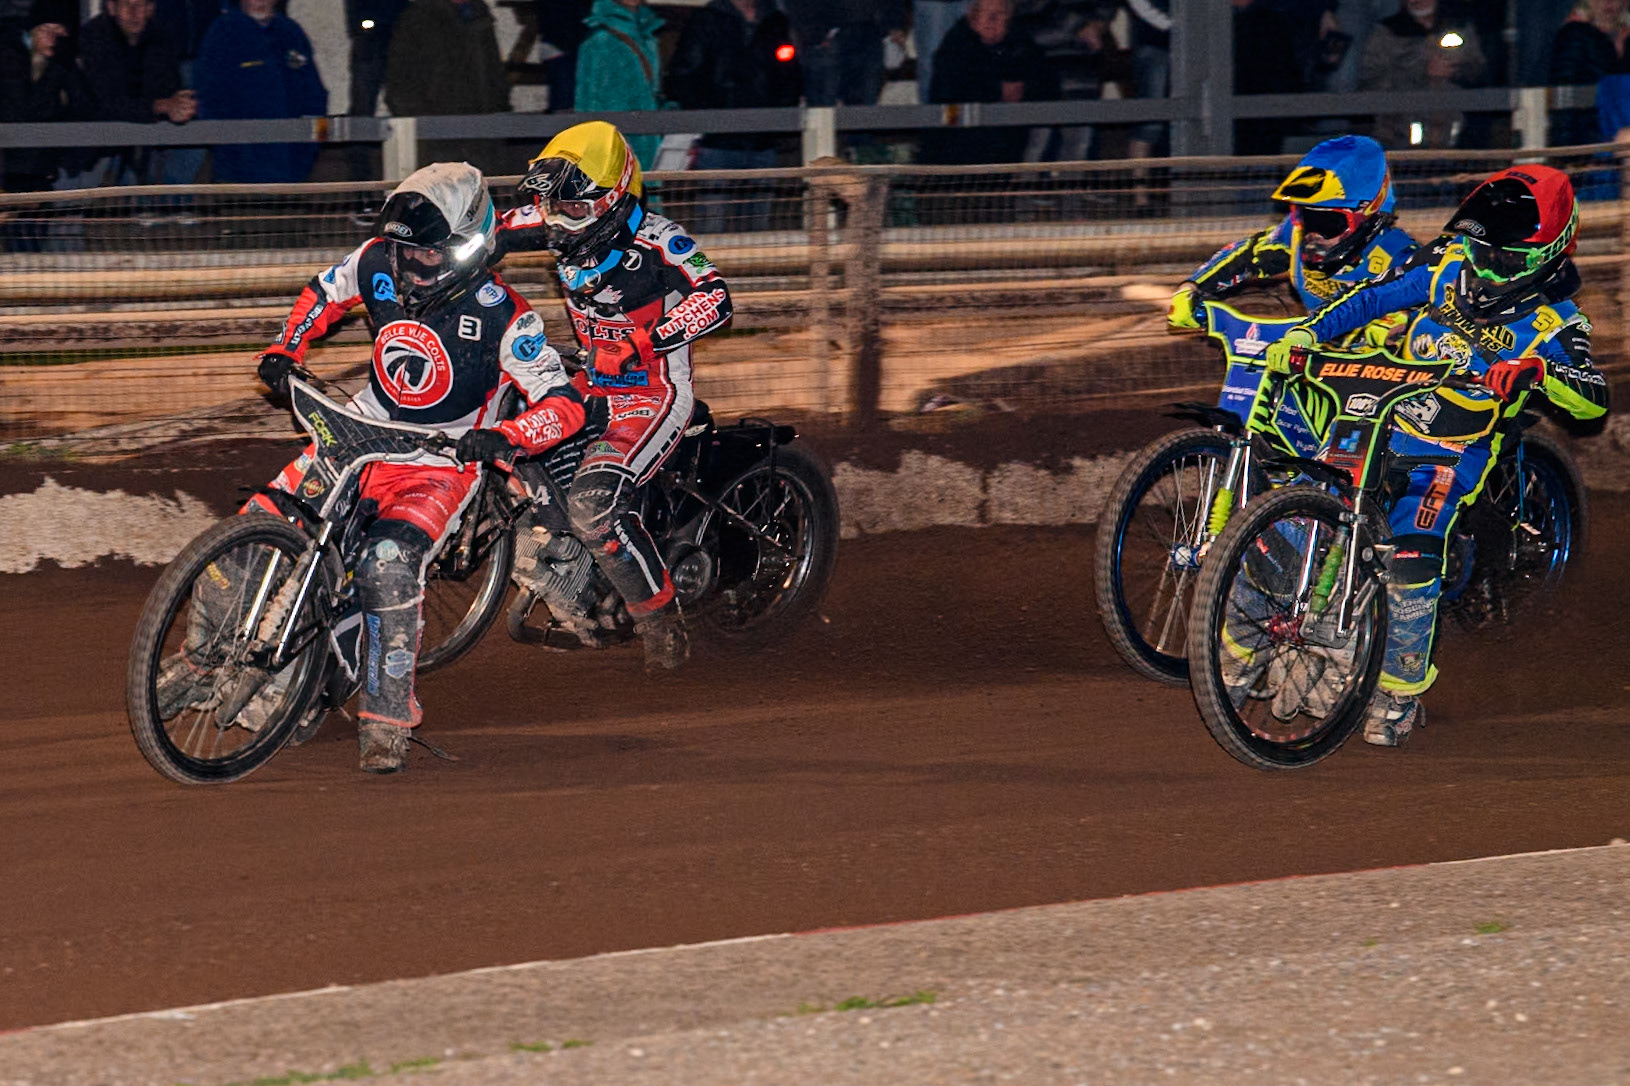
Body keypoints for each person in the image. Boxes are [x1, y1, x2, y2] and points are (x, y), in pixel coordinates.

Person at [240, 162, 583, 772]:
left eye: (430, 252)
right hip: (357, 432)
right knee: (253, 527)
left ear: (468, 245)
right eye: (407, 250)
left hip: (439, 461)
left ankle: (386, 720)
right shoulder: (377, 259)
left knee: (387, 566)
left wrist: (505, 435)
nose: (414, 264)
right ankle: (196, 659)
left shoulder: (507, 314)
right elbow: (323, 292)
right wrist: (283, 347)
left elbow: (563, 404)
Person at [1265, 165, 1608, 745]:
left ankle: (1398, 694)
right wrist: (1306, 334)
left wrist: (1538, 371)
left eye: (1494, 255)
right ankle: (1284, 636)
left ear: (1541, 258)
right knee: (1307, 507)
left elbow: (1594, 397)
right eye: (1474, 245)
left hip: (1455, 448)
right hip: (1383, 413)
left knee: (1411, 553)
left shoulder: (1557, 322)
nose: (1478, 262)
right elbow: (1370, 299)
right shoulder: (1449, 267)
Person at [497, 121, 735, 671]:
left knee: (593, 508)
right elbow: (485, 236)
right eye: (551, 205)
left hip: (652, 393)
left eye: (574, 209)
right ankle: (564, 566)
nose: (558, 220)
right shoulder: (552, 214)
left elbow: (717, 300)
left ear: (612, 198)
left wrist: (641, 343)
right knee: (503, 424)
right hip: (588, 381)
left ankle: (663, 626)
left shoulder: (660, 241)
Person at [1169, 135, 1418, 328]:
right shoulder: (1294, 234)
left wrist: (1402, 323)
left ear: (1367, 213)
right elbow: (1248, 255)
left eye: (1328, 223)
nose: (1313, 235)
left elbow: (1439, 317)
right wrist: (1192, 287)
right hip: (1311, 356)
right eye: (1306, 219)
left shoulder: (1402, 257)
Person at [666, 0, 800, 232]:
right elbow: (684, 73)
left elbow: (789, 73)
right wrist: (708, 117)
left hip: (762, 141)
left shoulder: (775, 21)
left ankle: (756, 268)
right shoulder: (707, 20)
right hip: (718, 142)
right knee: (712, 225)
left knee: (759, 230)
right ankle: (708, 269)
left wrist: (778, 118)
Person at [193, 0, 326, 184]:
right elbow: (208, 95)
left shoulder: (291, 32)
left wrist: (314, 146)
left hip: (293, 171)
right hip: (240, 171)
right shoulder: (223, 32)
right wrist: (226, 149)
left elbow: (315, 95)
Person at [73, 0, 196, 187]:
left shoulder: (161, 36)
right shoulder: (94, 36)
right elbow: (105, 103)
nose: (133, 12)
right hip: (93, 147)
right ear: (111, 7)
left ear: (151, 9)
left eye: (140, 5)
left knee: (192, 148)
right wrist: (160, 105)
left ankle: (170, 209)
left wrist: (179, 106)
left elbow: (168, 87)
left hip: (148, 141)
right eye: (126, 5)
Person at [385, 0, 511, 173]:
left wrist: (498, 108)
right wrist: (419, 118)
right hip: (437, 124)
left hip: (479, 123)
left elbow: (493, 69)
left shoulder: (478, 16)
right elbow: (402, 75)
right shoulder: (419, 18)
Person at [921, 0, 1041, 165]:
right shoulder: (954, 46)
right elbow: (948, 93)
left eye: (999, 14)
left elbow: (1043, 82)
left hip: (1009, 146)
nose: (992, 20)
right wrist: (996, 91)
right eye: (987, 14)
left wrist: (1023, 91)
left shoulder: (1021, 43)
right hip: (958, 148)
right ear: (973, 17)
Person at [1360, 0, 1487, 149]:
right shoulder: (1388, 32)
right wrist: (1421, 71)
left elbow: (1478, 70)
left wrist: (1456, 70)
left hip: (1455, 132)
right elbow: (1371, 79)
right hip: (1402, 134)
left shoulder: (1459, 26)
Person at [0, 5, 95, 194]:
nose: (53, 39)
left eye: (59, 33)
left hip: (39, 172)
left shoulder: (61, 67)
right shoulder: (6, 57)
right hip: (6, 167)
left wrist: (62, 161)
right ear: (33, 30)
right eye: (47, 30)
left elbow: (83, 107)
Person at [574, 0, 664, 169]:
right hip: (618, 152)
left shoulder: (646, 35)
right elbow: (588, 106)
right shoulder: (601, 41)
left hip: (645, 144)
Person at [783, 0, 905, 107]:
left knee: (862, 110)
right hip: (827, 29)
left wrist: (893, 22)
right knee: (823, 112)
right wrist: (812, 31)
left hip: (868, 28)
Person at [1549, 0, 1630, 145]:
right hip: (1590, 141)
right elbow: (1564, 95)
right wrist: (1570, 151)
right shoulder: (1573, 35)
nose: (1608, 2)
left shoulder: (1626, 37)